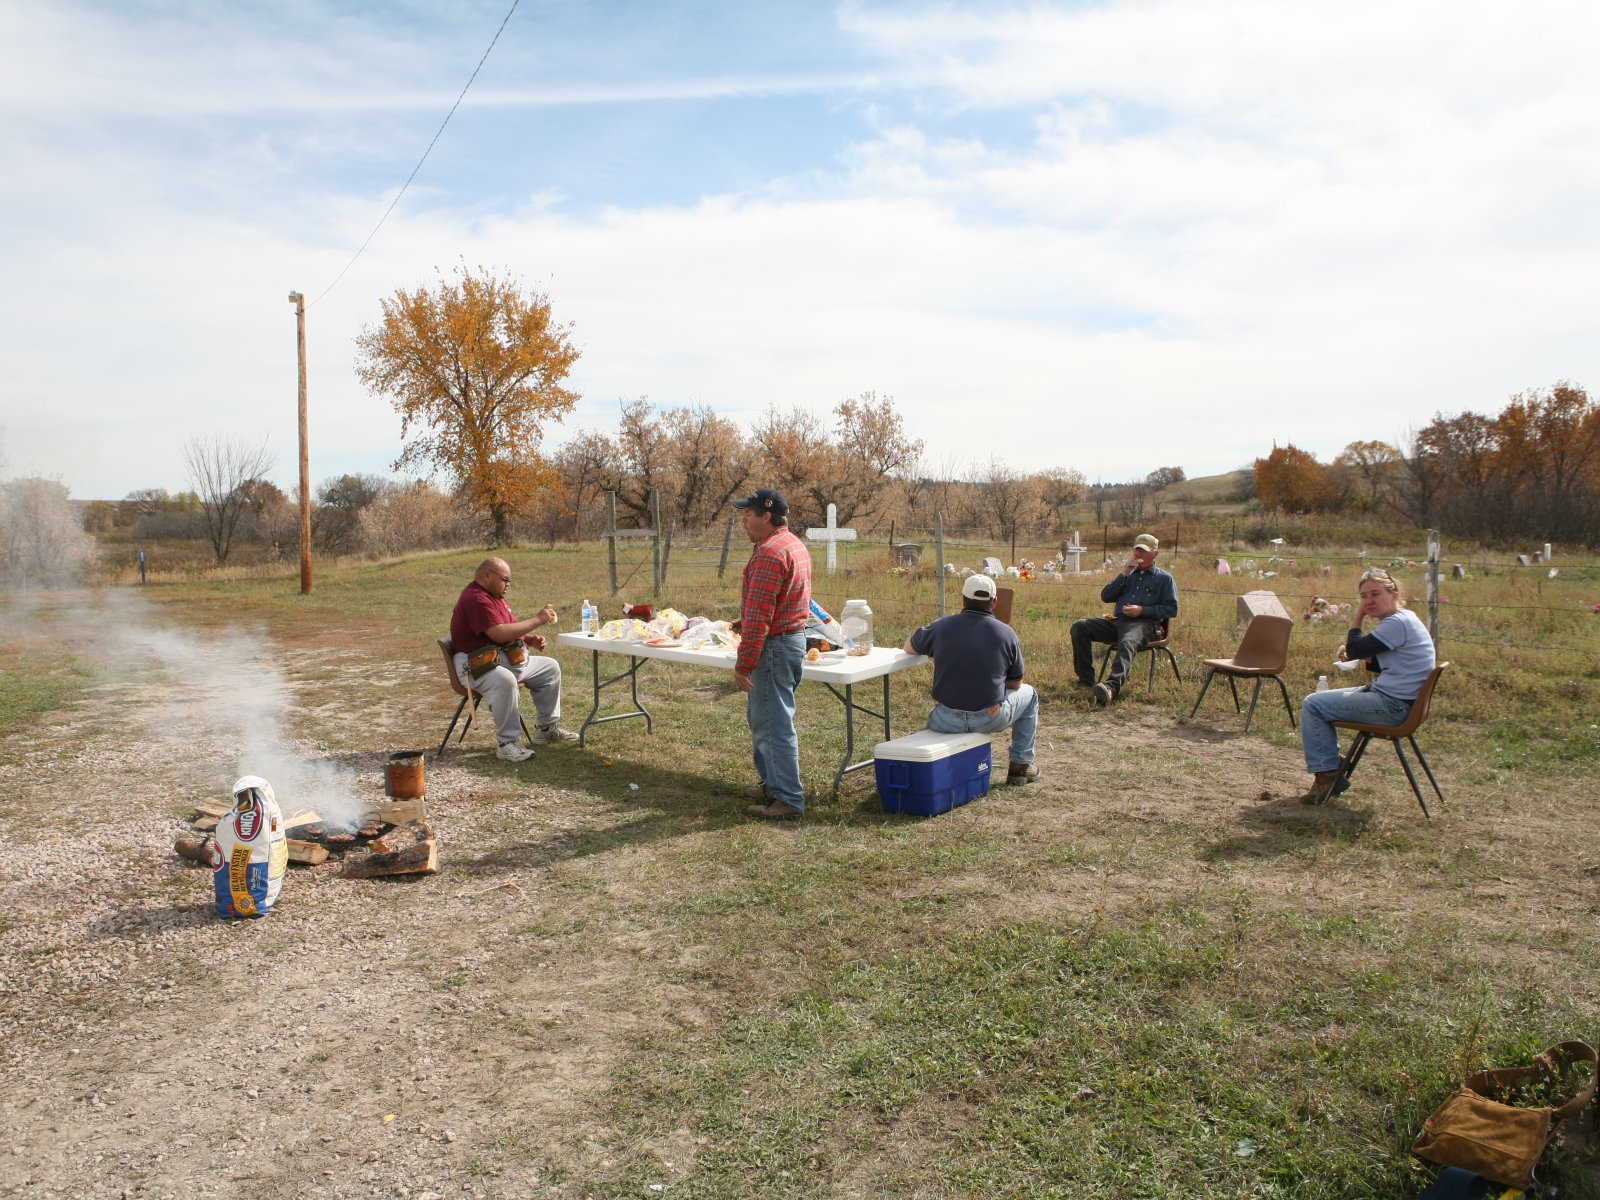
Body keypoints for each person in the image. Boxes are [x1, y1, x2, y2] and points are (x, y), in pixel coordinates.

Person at [1299, 567, 1436, 804]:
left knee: (1314, 704)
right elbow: (1378, 664)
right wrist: (1364, 656)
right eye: (1363, 597)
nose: (1369, 601)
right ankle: (1330, 765)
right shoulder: (1405, 618)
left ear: (1394, 595)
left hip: (1394, 706)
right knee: (1318, 702)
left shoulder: (1397, 623)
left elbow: (1356, 649)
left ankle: (1329, 775)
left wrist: (1358, 616)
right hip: (1399, 701)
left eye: (1375, 594)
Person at [903, 574, 1040, 784]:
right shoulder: (1007, 633)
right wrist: (994, 687)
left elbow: (909, 648)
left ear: (963, 599)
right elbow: (1016, 683)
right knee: (1030, 696)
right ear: (994, 602)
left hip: (944, 719)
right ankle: (1020, 767)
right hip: (990, 717)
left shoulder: (941, 626)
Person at [732, 488, 813, 821]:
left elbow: (762, 619)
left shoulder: (769, 553)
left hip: (774, 646)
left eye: (748, 514)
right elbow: (783, 600)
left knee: (774, 724)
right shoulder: (792, 544)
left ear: (767, 516)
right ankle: (772, 784)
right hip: (789, 639)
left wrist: (743, 665)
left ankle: (788, 799)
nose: (744, 521)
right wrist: (747, 617)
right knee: (764, 719)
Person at [448, 556, 578, 762]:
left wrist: (529, 639)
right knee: (505, 680)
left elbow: (502, 631)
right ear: (486, 576)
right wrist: (539, 620)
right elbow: (498, 634)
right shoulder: (476, 599)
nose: (508, 584)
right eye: (505, 579)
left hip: (502, 659)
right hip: (475, 664)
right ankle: (507, 744)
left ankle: (546, 729)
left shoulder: (495, 596)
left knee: (549, 668)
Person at [1071, 533, 1180, 706]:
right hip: (1117, 621)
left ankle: (1110, 688)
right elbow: (1106, 597)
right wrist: (1123, 574)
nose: (1138, 555)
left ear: (1155, 554)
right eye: (1136, 550)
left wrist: (1142, 610)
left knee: (1128, 641)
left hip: (1145, 625)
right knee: (1080, 626)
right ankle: (1085, 682)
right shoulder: (1129, 575)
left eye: (1143, 551)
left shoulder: (1164, 579)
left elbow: (1172, 609)